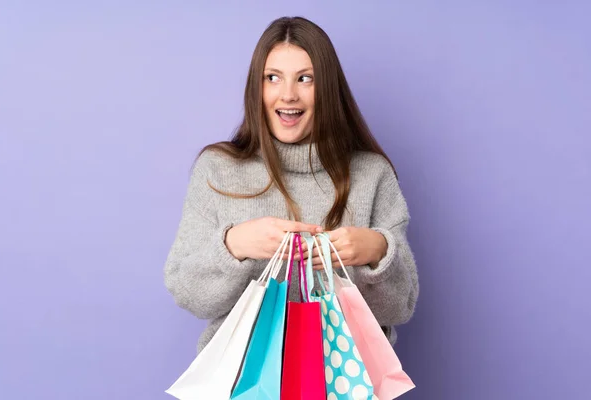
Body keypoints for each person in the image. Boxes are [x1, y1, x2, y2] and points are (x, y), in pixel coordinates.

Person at [164, 16, 419, 354]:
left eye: (305, 79)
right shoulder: (218, 169)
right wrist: (234, 244)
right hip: (242, 383)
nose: (288, 95)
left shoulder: (372, 175)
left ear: (326, 88)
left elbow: (400, 308)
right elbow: (188, 293)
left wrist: (377, 252)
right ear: (258, 86)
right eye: (273, 78)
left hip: (343, 383)